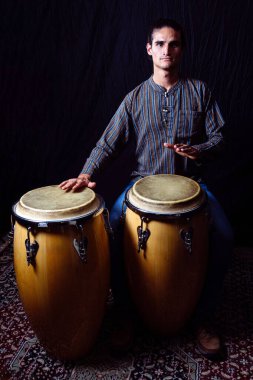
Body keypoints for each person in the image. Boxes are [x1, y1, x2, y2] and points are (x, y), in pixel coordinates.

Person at [59, 18, 233, 361]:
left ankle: (202, 317)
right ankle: (126, 311)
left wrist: (201, 150)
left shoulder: (201, 91)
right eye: (161, 44)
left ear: (182, 49)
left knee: (224, 236)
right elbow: (107, 144)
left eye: (174, 44)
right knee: (110, 230)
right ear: (149, 49)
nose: (167, 51)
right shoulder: (135, 98)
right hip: (140, 187)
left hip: (191, 187)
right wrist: (85, 173)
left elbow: (220, 138)